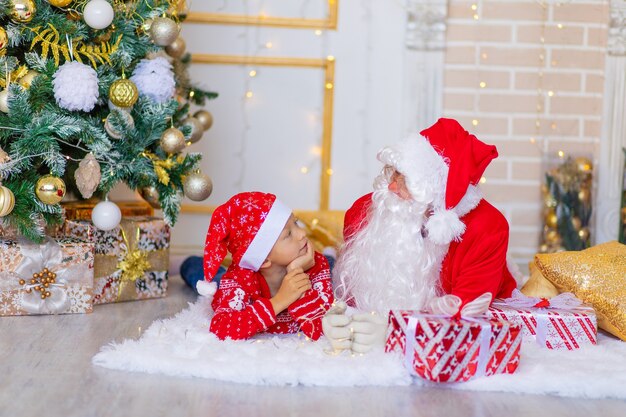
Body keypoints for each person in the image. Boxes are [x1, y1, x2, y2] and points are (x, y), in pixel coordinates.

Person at [323, 118, 519, 353]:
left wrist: (394, 334)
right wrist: (340, 321)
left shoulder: (487, 229)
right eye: (393, 174)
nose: (392, 188)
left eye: (406, 183)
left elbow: (467, 322)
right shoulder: (363, 212)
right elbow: (351, 293)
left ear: (436, 193)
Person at [197, 191, 334, 341]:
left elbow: (324, 327)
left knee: (329, 262)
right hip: (232, 277)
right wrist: (280, 300)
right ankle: (191, 263)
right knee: (210, 282)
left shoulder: (314, 262)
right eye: (288, 234)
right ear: (263, 260)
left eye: (296, 223)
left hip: (312, 262)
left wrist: (296, 272)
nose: (302, 233)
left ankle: (331, 256)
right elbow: (221, 328)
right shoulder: (240, 279)